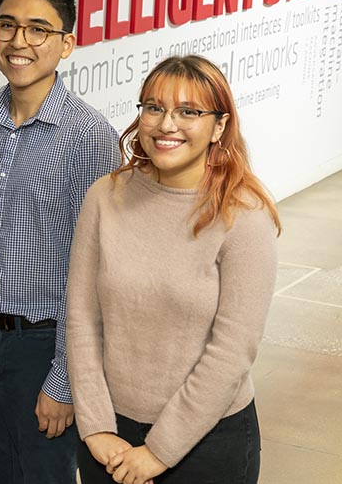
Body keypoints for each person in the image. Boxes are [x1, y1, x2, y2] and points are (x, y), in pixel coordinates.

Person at [66, 55, 282, 484]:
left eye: (189, 112)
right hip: (110, 438)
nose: (167, 125)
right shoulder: (105, 197)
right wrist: (96, 428)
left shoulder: (245, 216)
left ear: (219, 126)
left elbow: (232, 352)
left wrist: (159, 451)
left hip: (207, 443)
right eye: (154, 108)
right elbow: (82, 320)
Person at [0, 0, 120, 484]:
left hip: (43, 348)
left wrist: (65, 380)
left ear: (66, 44)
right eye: (7, 25)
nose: (19, 41)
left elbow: (95, 272)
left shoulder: (90, 137)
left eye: (38, 29)